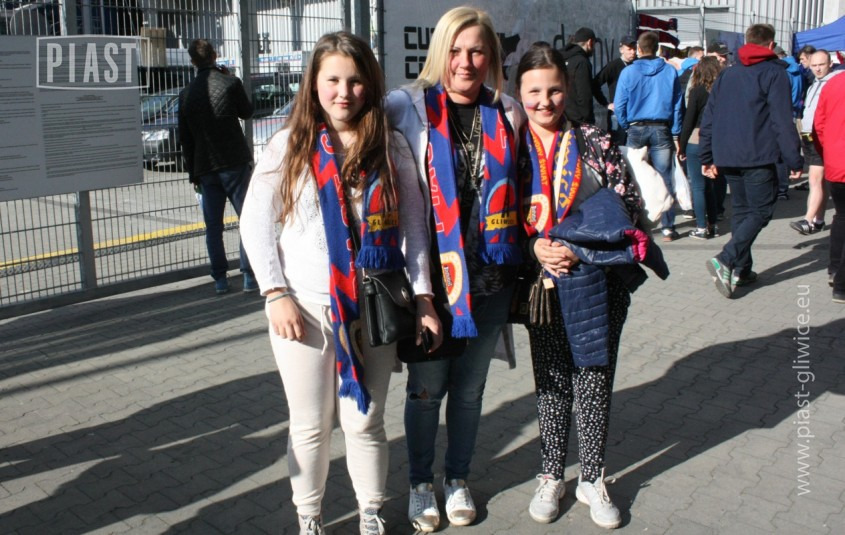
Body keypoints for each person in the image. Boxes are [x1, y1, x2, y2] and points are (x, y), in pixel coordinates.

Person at [239, 31, 440, 535]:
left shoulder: (389, 145)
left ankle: (370, 512)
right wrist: (274, 293)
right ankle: (309, 518)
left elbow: (415, 228)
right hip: (303, 307)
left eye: (354, 81)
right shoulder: (290, 143)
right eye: (332, 80)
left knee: (364, 420)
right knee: (310, 424)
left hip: (372, 308)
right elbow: (254, 221)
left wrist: (423, 297)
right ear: (314, 83)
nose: (343, 92)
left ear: (370, 84)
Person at [385, 6, 525, 531]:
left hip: (490, 283)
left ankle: (457, 478)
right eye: (456, 50)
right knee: (426, 392)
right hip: (433, 285)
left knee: (469, 392)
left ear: (491, 57)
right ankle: (421, 484)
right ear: (439, 52)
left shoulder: (508, 112)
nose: (465, 62)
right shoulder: (407, 106)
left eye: (477, 51)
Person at [515, 42, 643, 530]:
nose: (544, 101)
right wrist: (534, 246)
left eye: (553, 90)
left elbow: (627, 208)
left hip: (596, 280)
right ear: (518, 92)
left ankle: (592, 476)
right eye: (534, 92)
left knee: (594, 378)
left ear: (567, 89)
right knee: (550, 379)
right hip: (543, 285)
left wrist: (578, 246)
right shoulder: (511, 147)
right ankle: (551, 474)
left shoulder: (593, 140)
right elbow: (494, 215)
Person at [699, 24, 803, 298]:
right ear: (770, 45)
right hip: (758, 155)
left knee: (743, 211)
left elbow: (709, 117)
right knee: (761, 211)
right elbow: (782, 121)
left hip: (729, 155)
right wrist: (794, 159)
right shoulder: (774, 73)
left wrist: (707, 155)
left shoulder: (728, 73)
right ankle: (726, 258)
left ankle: (741, 270)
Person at [179, 39, 257, 294]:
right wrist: (233, 79)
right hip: (234, 163)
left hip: (205, 167)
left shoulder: (186, 94)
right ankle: (248, 276)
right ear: (214, 55)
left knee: (213, 226)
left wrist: (193, 173)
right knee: (246, 219)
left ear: (193, 61)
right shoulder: (230, 83)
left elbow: (185, 138)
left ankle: (221, 280)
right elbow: (247, 112)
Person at [614, 31, 683, 242]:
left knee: (633, 176)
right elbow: (677, 104)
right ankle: (668, 226)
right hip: (662, 127)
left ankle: (636, 222)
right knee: (665, 175)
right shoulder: (670, 71)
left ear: (639, 49)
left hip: (636, 127)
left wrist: (626, 125)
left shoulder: (628, 72)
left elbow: (619, 104)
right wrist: (676, 132)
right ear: (657, 48)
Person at [790, 50, 841, 236]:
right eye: (814, 65)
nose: (818, 69)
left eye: (821, 65)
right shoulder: (814, 83)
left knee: (814, 178)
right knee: (821, 180)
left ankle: (808, 219)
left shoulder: (834, 82)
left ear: (830, 64)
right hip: (808, 135)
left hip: (822, 136)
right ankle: (818, 220)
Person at [678, 57, 723, 239]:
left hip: (697, 139)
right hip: (717, 140)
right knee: (710, 185)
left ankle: (701, 227)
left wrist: (681, 146)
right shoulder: (723, 91)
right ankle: (713, 224)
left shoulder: (696, 91)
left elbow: (688, 121)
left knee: (697, 185)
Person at [813, 68, 845, 302]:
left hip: (835, 161)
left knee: (841, 217)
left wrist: (829, 150)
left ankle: (834, 269)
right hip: (836, 159)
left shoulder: (832, 84)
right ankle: (841, 283)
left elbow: (819, 125)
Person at [592, 35, 637, 142]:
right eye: (629, 49)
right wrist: (606, 104)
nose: (632, 52)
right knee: (618, 144)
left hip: (635, 113)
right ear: (621, 50)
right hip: (618, 113)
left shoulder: (638, 65)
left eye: (634, 49)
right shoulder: (613, 66)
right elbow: (595, 84)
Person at [773, 45, 804, 201]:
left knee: (779, 153)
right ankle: (783, 188)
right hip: (793, 110)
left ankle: (780, 188)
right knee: (786, 150)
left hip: (782, 112)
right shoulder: (796, 69)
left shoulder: (782, 71)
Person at [562, 27, 598, 125]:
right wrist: (588, 120)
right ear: (590, 42)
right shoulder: (582, 62)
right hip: (578, 121)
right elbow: (584, 95)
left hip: (563, 117)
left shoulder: (562, 57)